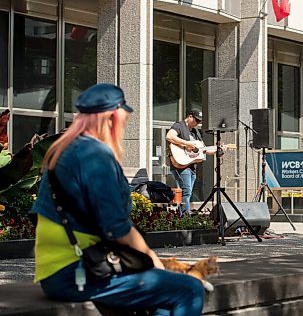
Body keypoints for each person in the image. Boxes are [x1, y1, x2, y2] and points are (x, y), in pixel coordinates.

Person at [32, 83, 204, 315]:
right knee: (189, 289)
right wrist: (155, 262)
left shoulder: (64, 149)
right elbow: (116, 227)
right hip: (81, 272)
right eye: (124, 118)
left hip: (58, 271)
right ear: (112, 117)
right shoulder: (94, 155)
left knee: (162, 300)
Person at [166, 109, 217, 215]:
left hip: (191, 166)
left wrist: (219, 149)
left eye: (199, 122)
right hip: (181, 165)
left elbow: (204, 149)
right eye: (196, 120)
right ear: (190, 117)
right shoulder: (179, 125)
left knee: (187, 192)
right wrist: (187, 144)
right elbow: (169, 136)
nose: (197, 123)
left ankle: (181, 215)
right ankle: (185, 217)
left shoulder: (195, 131)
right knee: (186, 191)